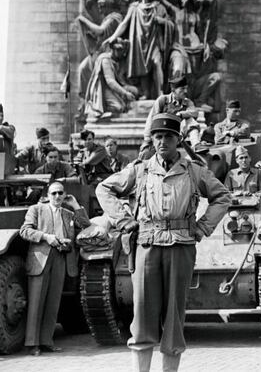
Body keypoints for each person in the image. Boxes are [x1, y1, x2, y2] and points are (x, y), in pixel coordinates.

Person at [95, 113, 230, 372]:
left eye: (168, 137)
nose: (162, 142)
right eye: (158, 137)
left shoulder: (193, 171)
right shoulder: (140, 169)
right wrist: (123, 220)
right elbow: (104, 189)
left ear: (178, 139)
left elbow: (222, 197)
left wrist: (202, 228)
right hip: (146, 245)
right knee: (143, 314)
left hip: (181, 246)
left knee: (174, 316)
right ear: (152, 140)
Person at [19, 182, 90, 356]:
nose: (57, 197)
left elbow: (86, 224)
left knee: (53, 302)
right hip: (41, 259)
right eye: (54, 193)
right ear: (47, 196)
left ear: (65, 195)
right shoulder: (36, 209)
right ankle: (32, 344)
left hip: (61, 258)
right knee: (36, 302)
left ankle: (46, 341)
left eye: (60, 193)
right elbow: (24, 231)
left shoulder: (68, 213)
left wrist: (76, 205)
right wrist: (46, 237)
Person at [104, 0, 174, 99]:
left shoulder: (158, 7)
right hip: (138, 43)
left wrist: (162, 21)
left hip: (154, 42)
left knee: (156, 63)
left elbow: (170, 24)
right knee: (141, 68)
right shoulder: (134, 7)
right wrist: (113, 36)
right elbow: (124, 23)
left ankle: (160, 93)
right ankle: (146, 93)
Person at [77, 0, 124, 100]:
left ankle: (93, 98)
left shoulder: (114, 17)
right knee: (82, 69)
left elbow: (100, 31)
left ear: (109, 6)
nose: (99, 9)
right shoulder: (106, 19)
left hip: (109, 52)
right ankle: (87, 99)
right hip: (100, 51)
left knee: (85, 69)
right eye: (98, 7)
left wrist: (84, 20)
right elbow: (100, 35)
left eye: (102, 6)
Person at [140, 75, 200, 157]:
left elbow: (195, 112)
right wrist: (147, 140)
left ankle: (197, 145)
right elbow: (151, 120)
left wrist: (181, 114)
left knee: (190, 120)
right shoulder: (163, 100)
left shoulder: (188, 102)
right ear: (173, 90)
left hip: (178, 134)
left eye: (186, 88)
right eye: (182, 89)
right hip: (163, 134)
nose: (186, 91)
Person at [84, 38, 139, 119]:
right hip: (103, 89)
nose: (120, 52)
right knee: (118, 107)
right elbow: (110, 82)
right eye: (118, 50)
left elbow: (120, 79)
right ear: (112, 49)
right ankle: (99, 109)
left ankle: (123, 101)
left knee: (135, 90)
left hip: (113, 87)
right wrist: (125, 93)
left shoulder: (117, 60)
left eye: (121, 50)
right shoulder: (105, 60)